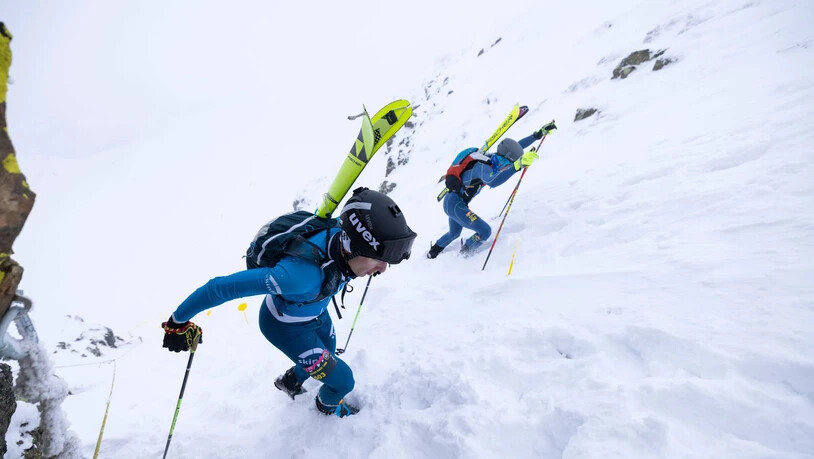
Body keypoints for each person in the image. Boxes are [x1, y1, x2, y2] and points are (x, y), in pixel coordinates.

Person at [161, 187, 417, 418]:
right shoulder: (297, 277)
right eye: (378, 259)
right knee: (343, 382)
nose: (382, 269)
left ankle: (290, 382)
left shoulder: (339, 235)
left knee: (329, 350)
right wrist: (177, 323)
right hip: (286, 328)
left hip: (315, 314)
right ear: (353, 246)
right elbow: (220, 288)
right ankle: (326, 407)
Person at [428, 122, 556, 259]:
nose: (508, 166)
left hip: (456, 203)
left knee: (454, 233)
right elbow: (494, 182)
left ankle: (433, 252)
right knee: (485, 231)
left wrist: (537, 135)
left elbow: (517, 148)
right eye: (509, 163)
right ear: (506, 157)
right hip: (455, 205)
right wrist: (517, 166)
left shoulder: (494, 159)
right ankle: (465, 253)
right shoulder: (483, 167)